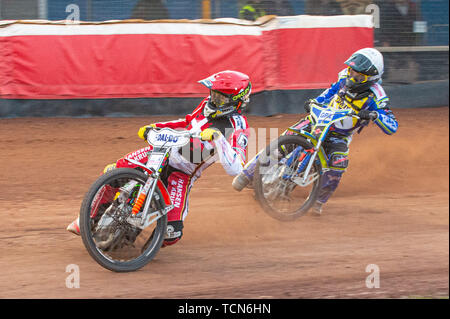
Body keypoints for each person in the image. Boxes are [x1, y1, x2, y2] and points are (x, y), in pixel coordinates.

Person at [67, 70, 252, 247]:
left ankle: (149, 248)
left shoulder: (238, 126)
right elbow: (186, 122)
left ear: (236, 101)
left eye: (220, 97)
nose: (213, 99)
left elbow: (236, 168)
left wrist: (219, 139)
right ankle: (88, 219)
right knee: (114, 171)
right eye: (213, 94)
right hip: (161, 153)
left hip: (182, 174)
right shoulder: (206, 105)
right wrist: (155, 126)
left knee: (172, 233)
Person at [232, 48, 398, 215]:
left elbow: (392, 125)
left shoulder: (377, 96)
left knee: (338, 164)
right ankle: (247, 174)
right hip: (319, 120)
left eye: (359, 76)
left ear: (372, 79)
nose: (352, 77)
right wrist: (315, 102)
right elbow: (329, 93)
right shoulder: (343, 79)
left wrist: (375, 115)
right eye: (351, 71)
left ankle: (318, 202)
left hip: (339, 135)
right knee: (287, 139)